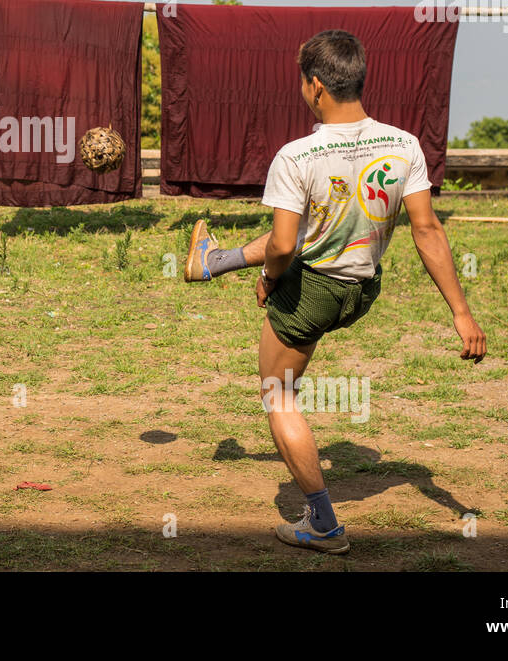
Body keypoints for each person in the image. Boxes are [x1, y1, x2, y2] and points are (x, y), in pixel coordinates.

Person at [184, 29, 487, 553]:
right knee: (311, 227)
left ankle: (322, 524)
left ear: (316, 86)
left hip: (312, 290)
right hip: (362, 289)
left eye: (304, 81)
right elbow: (427, 230)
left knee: (279, 397)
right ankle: (212, 261)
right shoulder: (404, 143)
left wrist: (270, 280)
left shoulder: (297, 155)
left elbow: (282, 246)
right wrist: (461, 314)